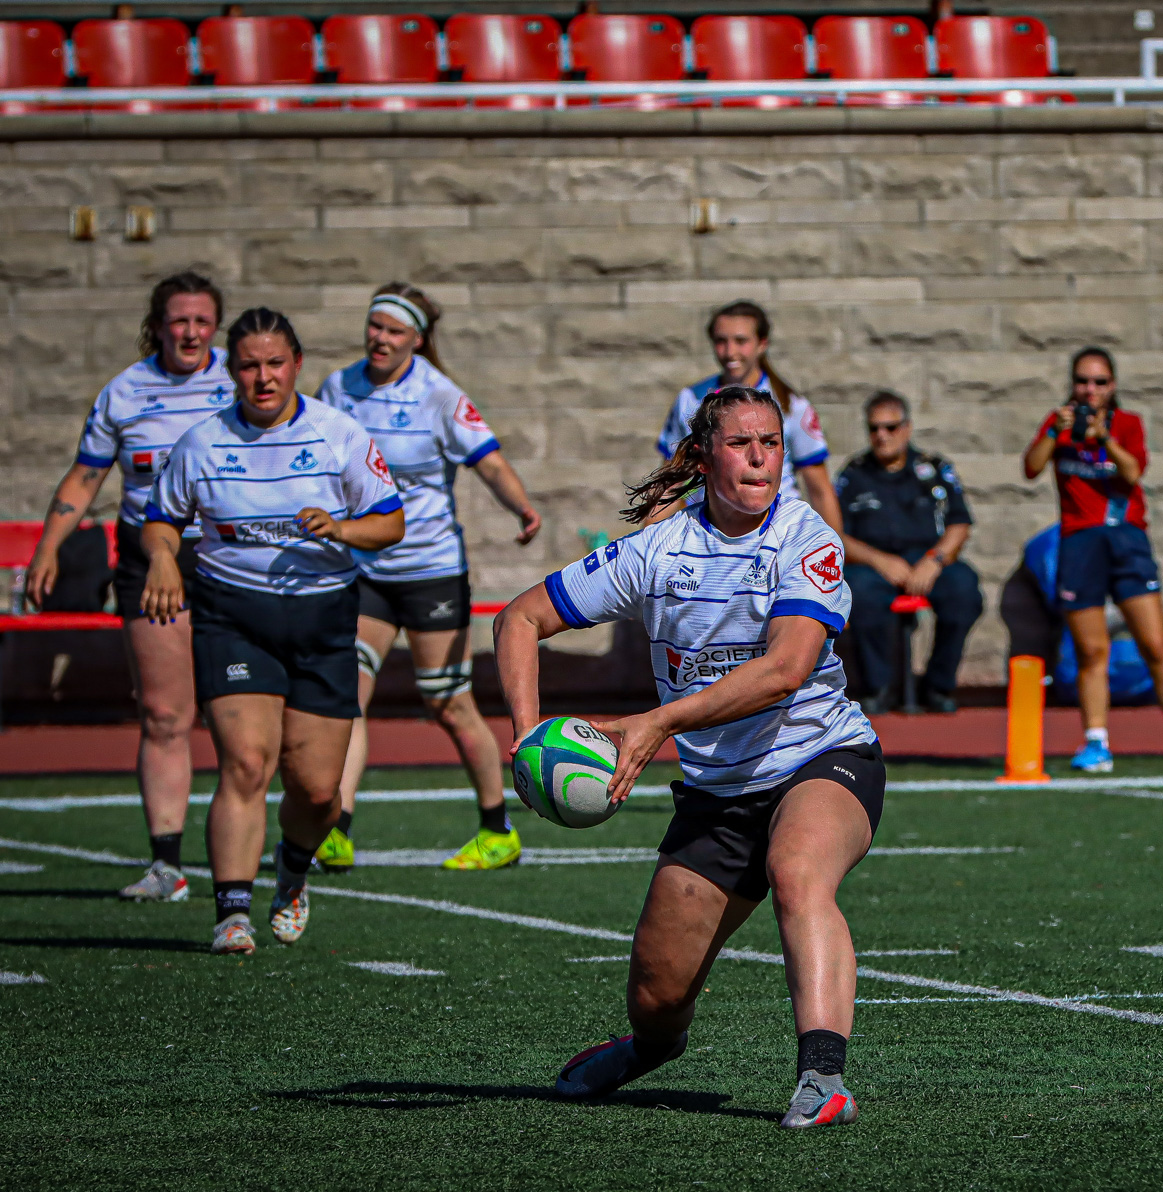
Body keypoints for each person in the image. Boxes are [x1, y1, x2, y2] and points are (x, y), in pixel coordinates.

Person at [494, 385, 878, 1130]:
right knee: (658, 997)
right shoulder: (658, 551)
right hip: (717, 793)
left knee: (798, 873)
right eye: (742, 443)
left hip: (823, 757)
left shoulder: (808, 540)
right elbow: (521, 617)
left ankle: (823, 1077)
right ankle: (645, 1050)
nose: (761, 457)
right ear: (704, 458)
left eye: (771, 442)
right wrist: (528, 737)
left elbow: (785, 670)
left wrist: (656, 722)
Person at [141, 307, 403, 955]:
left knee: (316, 790)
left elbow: (390, 523)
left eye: (275, 363)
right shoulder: (201, 442)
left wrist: (341, 528)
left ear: (297, 366)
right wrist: (161, 558)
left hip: (322, 618)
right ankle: (231, 911)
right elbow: (162, 517)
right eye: (250, 365)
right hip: (234, 616)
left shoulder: (338, 433)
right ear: (231, 370)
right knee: (247, 762)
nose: (263, 378)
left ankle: (291, 869)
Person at [318, 283, 542, 873]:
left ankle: (497, 828)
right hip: (364, 569)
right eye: (375, 326)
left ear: (416, 340)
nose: (380, 339)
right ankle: (335, 828)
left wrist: (521, 507)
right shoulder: (338, 388)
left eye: (394, 331)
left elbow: (487, 459)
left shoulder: (439, 395)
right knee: (348, 697)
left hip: (430, 571)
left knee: (446, 701)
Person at [25, 271, 234, 903]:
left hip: (234, 560)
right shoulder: (124, 391)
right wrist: (46, 551)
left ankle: (256, 852)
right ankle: (167, 864)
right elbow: (85, 478)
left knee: (241, 715)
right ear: (158, 325)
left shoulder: (242, 380)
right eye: (179, 320)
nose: (192, 332)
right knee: (166, 713)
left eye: (202, 320)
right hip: (151, 562)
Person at [1022, 347, 1163, 773]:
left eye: (1100, 382)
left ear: (1113, 387)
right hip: (1079, 542)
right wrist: (1055, 434)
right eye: (1083, 381)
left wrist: (1104, 437)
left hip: (1126, 539)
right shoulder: (1058, 424)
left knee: (1155, 644)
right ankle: (1096, 742)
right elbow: (1031, 469)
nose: (1090, 390)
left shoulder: (1128, 424)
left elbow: (1131, 472)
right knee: (1091, 650)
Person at [836, 390, 982, 715]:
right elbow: (837, 534)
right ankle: (879, 687)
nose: (881, 435)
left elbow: (959, 524)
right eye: (874, 428)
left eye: (890, 427)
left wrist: (935, 560)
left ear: (907, 428)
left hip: (928, 559)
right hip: (874, 563)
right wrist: (879, 561)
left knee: (964, 588)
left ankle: (938, 686)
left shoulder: (935, 469)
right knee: (858, 591)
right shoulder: (854, 475)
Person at [653, 300, 843, 532]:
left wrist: (834, 550)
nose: (730, 351)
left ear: (762, 344)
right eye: (721, 341)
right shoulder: (690, 399)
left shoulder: (791, 404)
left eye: (741, 341)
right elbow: (671, 479)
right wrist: (650, 534)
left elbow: (820, 489)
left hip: (776, 530)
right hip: (708, 530)